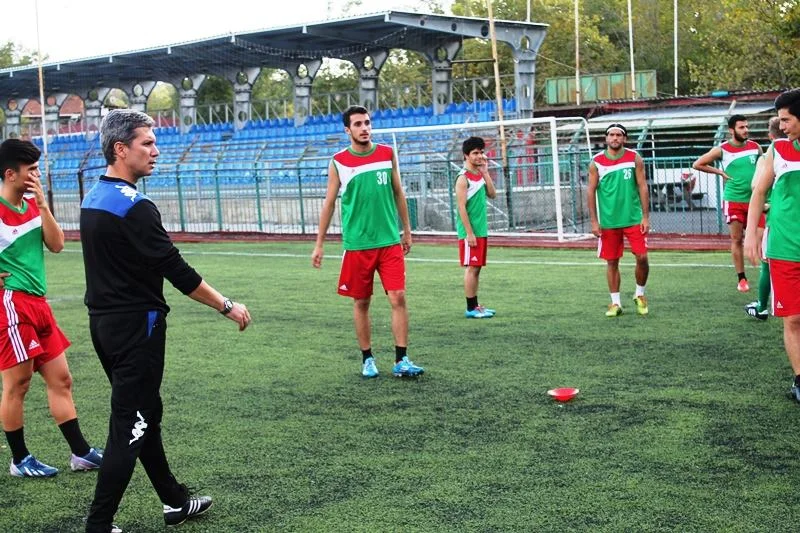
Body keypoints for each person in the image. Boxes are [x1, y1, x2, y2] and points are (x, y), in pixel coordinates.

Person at [80, 109, 251, 533]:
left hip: (103, 325)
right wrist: (227, 306)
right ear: (121, 149)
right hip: (137, 326)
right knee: (131, 424)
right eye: (147, 143)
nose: (157, 151)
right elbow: (177, 271)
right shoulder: (135, 207)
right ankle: (99, 524)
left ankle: (174, 501)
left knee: (145, 412)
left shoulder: (92, 196)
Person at [0, 139, 103, 478]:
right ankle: (19, 460)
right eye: (31, 170)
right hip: (12, 305)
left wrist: (43, 205)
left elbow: (57, 245)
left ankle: (81, 453)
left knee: (62, 379)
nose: (36, 176)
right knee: (19, 384)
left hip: (39, 304)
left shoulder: (32, 202)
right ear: (10, 173)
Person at [312, 105, 423, 379]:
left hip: (389, 241)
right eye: (358, 124)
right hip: (358, 245)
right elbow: (328, 203)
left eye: (367, 123)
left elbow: (399, 192)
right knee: (362, 302)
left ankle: (401, 359)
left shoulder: (387, 153)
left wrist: (407, 230)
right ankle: (368, 358)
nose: (365, 128)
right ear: (347, 130)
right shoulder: (338, 161)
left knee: (398, 297)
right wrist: (319, 243)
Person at [744, 89, 800, 402]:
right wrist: (751, 232)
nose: (782, 126)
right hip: (784, 248)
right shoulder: (777, 149)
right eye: (780, 120)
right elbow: (758, 192)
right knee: (793, 318)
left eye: (787, 120)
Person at [693, 114, 763, 292]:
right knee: (736, 239)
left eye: (747, 127)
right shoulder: (722, 149)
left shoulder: (756, 147)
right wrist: (720, 172)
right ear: (731, 130)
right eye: (741, 127)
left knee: (761, 238)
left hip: (755, 200)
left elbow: (764, 168)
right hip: (733, 200)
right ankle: (742, 279)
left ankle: (767, 273)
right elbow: (698, 164)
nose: (746, 130)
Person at [587, 123, 650, 317]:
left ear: (624, 138)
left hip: (633, 218)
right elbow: (590, 191)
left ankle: (639, 294)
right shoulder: (596, 161)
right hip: (608, 222)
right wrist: (594, 221)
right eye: (611, 135)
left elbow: (643, 187)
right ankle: (615, 303)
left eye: (618, 135)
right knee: (612, 262)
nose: (614, 138)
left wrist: (645, 216)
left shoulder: (634, 158)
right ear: (606, 138)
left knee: (642, 257)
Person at [744, 116, 785, 321]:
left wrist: (767, 204)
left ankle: (761, 306)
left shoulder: (770, 154)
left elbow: (755, 186)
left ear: (770, 135)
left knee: (767, 263)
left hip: (775, 217)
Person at [455, 136, 497, 319]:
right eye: (475, 153)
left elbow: (493, 194)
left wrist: (486, 172)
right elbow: (461, 207)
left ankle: (475, 305)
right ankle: (470, 308)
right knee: (472, 268)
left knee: (477, 267)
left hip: (481, 230)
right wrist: (469, 233)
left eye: (481, 152)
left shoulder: (479, 175)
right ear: (466, 156)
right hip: (470, 232)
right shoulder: (463, 178)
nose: (480, 156)